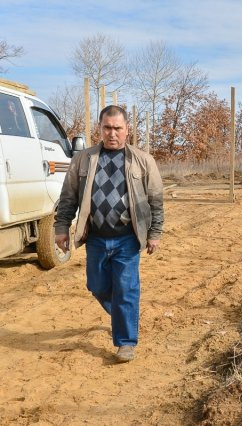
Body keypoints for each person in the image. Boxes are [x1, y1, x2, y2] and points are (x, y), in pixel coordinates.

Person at [54, 105, 163, 363]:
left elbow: (156, 200)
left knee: (126, 289)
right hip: (96, 238)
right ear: (99, 129)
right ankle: (124, 316)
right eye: (107, 128)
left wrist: (155, 232)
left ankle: (125, 342)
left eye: (117, 128)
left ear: (127, 130)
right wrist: (61, 228)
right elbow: (68, 197)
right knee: (97, 285)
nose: (112, 133)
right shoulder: (83, 159)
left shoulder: (143, 160)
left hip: (127, 237)